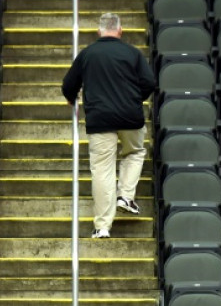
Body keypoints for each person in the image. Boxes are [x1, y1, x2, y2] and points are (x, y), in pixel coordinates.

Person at [61, 12, 157, 239]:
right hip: (130, 116)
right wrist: (134, 99)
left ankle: (103, 227)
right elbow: (149, 82)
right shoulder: (132, 53)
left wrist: (72, 97)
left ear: (99, 31)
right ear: (120, 31)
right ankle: (125, 195)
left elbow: (68, 85)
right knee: (134, 152)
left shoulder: (87, 54)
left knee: (102, 170)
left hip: (100, 119)